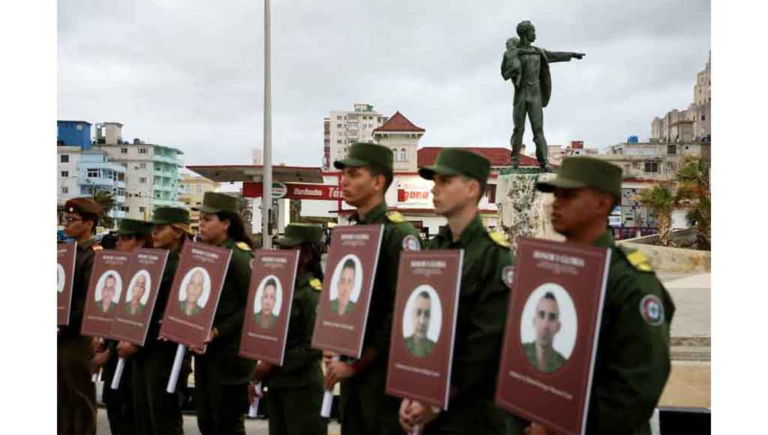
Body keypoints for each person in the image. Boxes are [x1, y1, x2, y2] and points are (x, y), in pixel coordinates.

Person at [526, 156, 675, 434]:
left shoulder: (629, 281)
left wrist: (561, 426)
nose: (555, 203)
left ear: (602, 203)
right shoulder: (549, 271)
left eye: (568, 195)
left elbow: (639, 385)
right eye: (555, 194)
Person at [399, 148, 513, 434]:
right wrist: (412, 390)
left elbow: (485, 343)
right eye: (434, 182)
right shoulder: (434, 249)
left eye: (445, 182)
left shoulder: (494, 256)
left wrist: (437, 399)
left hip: (471, 414)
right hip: (430, 405)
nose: (434, 190)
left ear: (472, 188)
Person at [325, 142, 421, 435]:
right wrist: (332, 341)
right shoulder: (351, 233)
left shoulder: (399, 235)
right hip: (352, 378)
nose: (345, 180)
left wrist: (357, 364)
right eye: (345, 174)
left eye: (354, 174)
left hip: (382, 378)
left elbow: (401, 312)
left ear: (378, 182)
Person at [249, 223, 328, 435]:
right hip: (278, 384)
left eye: (287, 249)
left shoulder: (312, 293)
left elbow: (314, 345)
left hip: (302, 389)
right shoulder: (281, 289)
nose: (281, 254)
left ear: (306, 256)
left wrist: (271, 364)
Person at [192, 192, 256, 435]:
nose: (202, 224)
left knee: (226, 424)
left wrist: (218, 330)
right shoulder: (207, 254)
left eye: (208, 219)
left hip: (231, 359)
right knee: (206, 423)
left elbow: (252, 305)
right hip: (206, 355)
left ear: (226, 223)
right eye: (201, 219)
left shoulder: (239, 256)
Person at [129, 207, 195, 435]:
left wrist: (136, 341)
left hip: (165, 352)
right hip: (143, 350)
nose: (154, 233)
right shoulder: (155, 260)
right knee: (144, 418)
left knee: (163, 419)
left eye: (160, 228)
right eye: (153, 228)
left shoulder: (185, 264)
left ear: (178, 232)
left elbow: (166, 312)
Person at [94, 217, 153, 435]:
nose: (119, 243)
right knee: (115, 408)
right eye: (118, 238)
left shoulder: (147, 275)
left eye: (126, 239)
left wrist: (109, 352)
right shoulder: (120, 269)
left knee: (131, 416)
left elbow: (136, 319)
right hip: (114, 352)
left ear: (140, 243)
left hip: (134, 358)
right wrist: (100, 340)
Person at [505, 20, 585, 170]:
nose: (535, 34)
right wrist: (514, 71)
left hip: (535, 95)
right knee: (518, 129)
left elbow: (554, 55)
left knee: (538, 130)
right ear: (525, 34)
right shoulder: (514, 53)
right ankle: (514, 161)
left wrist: (572, 54)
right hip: (521, 95)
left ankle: (544, 162)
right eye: (533, 31)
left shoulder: (538, 52)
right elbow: (505, 73)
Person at [58, 197, 103, 435]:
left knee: (79, 397)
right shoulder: (65, 252)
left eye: (73, 220)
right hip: (60, 335)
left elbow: (89, 303)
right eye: (66, 218)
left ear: (89, 223)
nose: (67, 223)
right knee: (60, 398)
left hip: (77, 337)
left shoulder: (94, 256)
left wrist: (63, 325)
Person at [523, 292, 567, 373]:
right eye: (541, 315)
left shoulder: (564, 365)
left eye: (552, 317)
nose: (545, 325)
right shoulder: (520, 351)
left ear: (558, 327)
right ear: (534, 321)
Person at [404, 291, 436, 358]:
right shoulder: (402, 343)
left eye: (427, 314)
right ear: (412, 314)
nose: (422, 321)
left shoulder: (435, 348)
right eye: (418, 312)